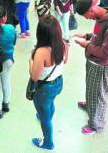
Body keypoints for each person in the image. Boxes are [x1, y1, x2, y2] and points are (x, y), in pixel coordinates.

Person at [74, 0, 108, 135]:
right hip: (93, 62)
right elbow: (99, 36)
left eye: (86, 16)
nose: (87, 19)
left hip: (101, 66)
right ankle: (90, 104)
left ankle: (96, 125)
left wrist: (87, 45)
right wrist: (88, 36)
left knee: (99, 94)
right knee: (91, 88)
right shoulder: (101, 19)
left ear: (92, 9)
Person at [29, 15, 68, 150]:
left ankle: (48, 143)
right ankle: (45, 114)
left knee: (45, 116)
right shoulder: (63, 44)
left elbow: (34, 76)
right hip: (58, 83)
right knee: (50, 103)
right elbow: (65, 61)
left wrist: (31, 62)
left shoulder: (41, 51)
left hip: (44, 88)